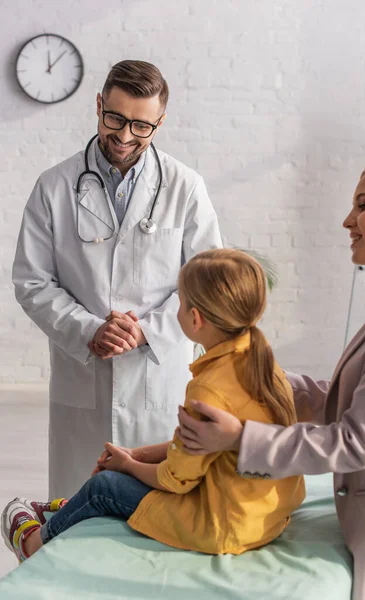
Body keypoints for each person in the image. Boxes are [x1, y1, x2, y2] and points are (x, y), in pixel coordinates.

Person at [175, 160, 365, 600]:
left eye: (364, 205)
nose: (347, 220)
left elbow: (357, 440)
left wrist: (241, 438)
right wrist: (261, 378)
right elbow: (346, 400)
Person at [2, 249, 305, 562]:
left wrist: (129, 467)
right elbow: (207, 447)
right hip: (266, 516)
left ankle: (34, 544)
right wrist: (136, 454)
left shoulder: (208, 389)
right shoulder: (260, 359)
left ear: (195, 318)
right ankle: (70, 509)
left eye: (181, 303)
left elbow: (175, 479)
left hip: (222, 526)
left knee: (105, 486)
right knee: (122, 475)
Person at [12, 60, 222, 499]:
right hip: (84, 374)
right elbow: (32, 280)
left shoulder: (185, 187)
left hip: (159, 377)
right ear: (98, 106)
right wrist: (91, 329)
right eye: (115, 118)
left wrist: (143, 330)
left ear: (159, 123)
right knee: (75, 511)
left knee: (160, 515)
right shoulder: (53, 187)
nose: (125, 136)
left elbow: (206, 282)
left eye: (141, 126)